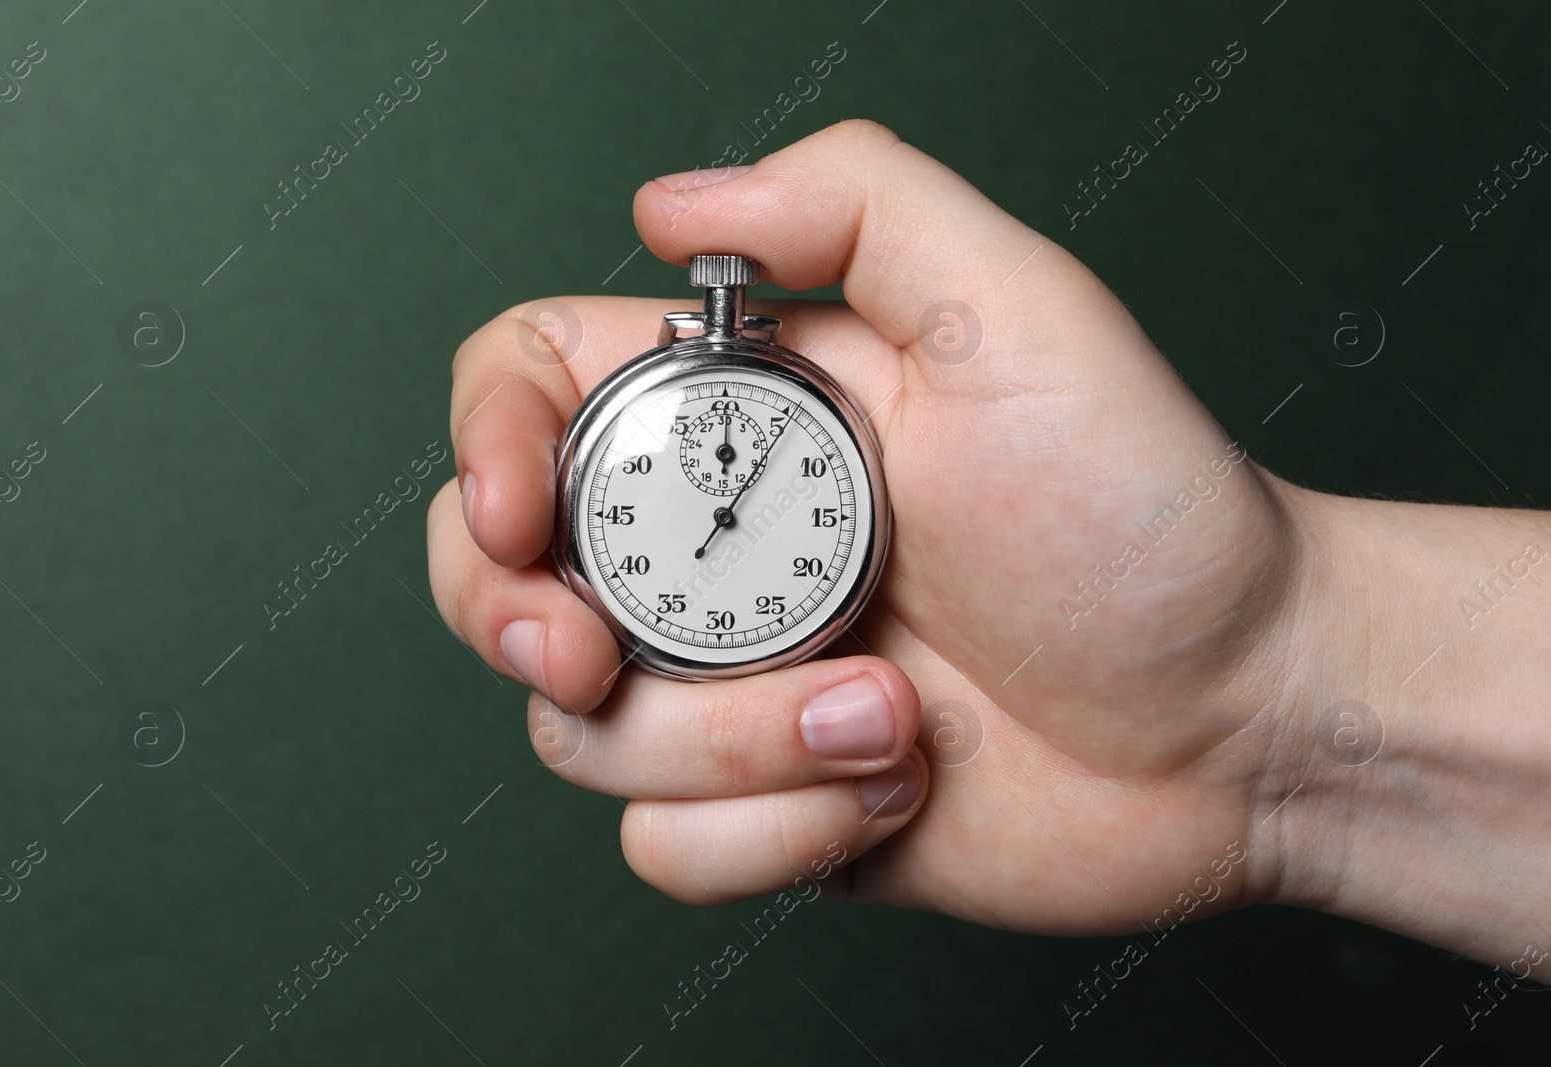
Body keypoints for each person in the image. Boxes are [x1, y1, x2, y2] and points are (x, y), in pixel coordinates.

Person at [427, 119, 1551, 972]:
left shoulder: (836, 440)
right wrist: (1273, 713)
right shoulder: (658, 447)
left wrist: (1279, 681)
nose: (727, 509)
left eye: (755, 486)